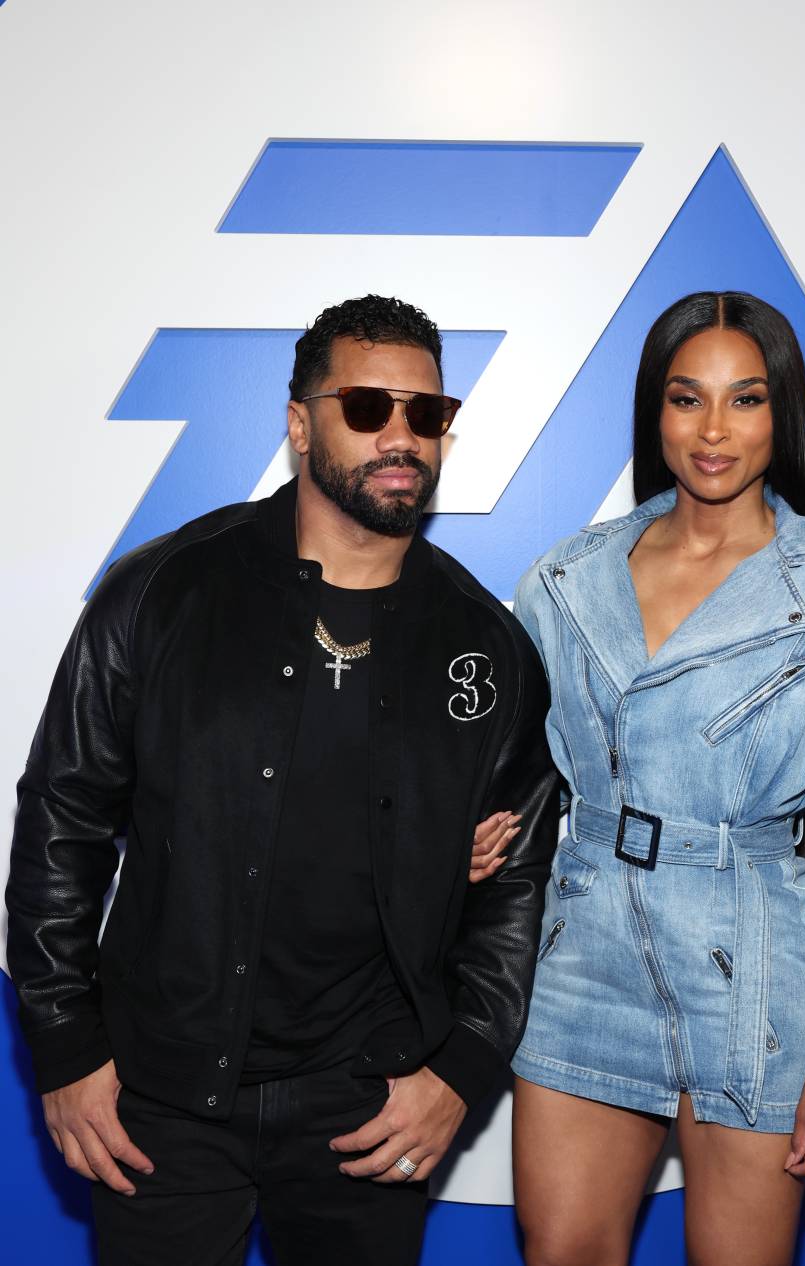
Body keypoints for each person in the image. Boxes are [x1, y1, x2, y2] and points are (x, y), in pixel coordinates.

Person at [5, 294, 559, 1266]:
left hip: (368, 1106)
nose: (401, 437)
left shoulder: (486, 648)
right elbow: (64, 816)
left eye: (427, 414)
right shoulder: (164, 593)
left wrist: (460, 1069)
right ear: (300, 424)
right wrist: (64, 1048)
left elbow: (514, 880)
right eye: (367, 408)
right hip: (161, 1098)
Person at [484, 291, 805, 1266]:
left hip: (755, 965)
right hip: (588, 952)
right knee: (560, 1251)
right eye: (684, 397)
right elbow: (516, 765)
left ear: (780, 413)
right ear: (653, 412)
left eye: (743, 400)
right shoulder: (565, 582)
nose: (710, 430)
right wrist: (492, 826)